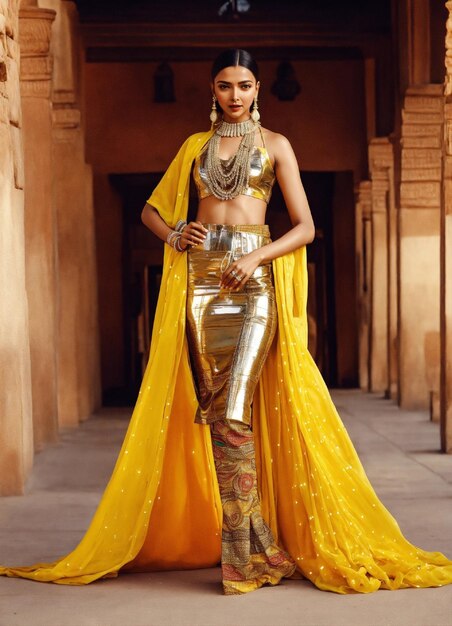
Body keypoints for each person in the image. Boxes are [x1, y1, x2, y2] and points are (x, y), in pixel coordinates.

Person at [1, 48, 452, 596]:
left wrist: (256, 257)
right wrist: (174, 235)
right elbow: (151, 208)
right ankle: (253, 545)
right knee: (219, 414)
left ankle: (246, 553)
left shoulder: (276, 146)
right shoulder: (195, 148)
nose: (233, 95)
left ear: (258, 88)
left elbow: (306, 227)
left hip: (252, 280)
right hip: (201, 283)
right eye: (223, 85)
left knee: (236, 404)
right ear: (212, 90)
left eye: (243, 85)